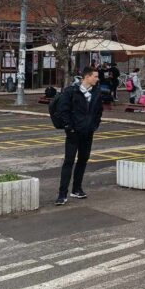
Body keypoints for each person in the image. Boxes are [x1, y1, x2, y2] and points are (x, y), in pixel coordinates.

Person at [54, 66, 104, 205]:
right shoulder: (71, 92)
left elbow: (98, 111)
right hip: (73, 133)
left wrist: (94, 125)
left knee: (83, 160)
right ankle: (62, 194)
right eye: (95, 76)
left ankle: (76, 189)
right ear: (87, 77)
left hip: (88, 132)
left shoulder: (96, 93)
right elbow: (63, 110)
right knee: (68, 162)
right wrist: (69, 128)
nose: (97, 79)